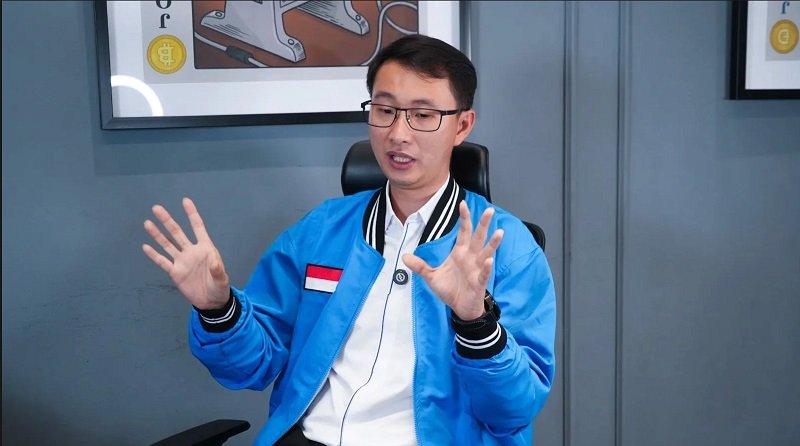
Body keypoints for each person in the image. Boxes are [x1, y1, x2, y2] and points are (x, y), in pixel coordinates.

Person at [142, 34, 556, 446]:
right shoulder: (323, 229)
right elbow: (251, 366)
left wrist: (476, 323)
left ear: (462, 125)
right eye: (385, 110)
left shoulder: (507, 249)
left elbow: (513, 410)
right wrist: (219, 310)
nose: (398, 133)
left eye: (423, 115)